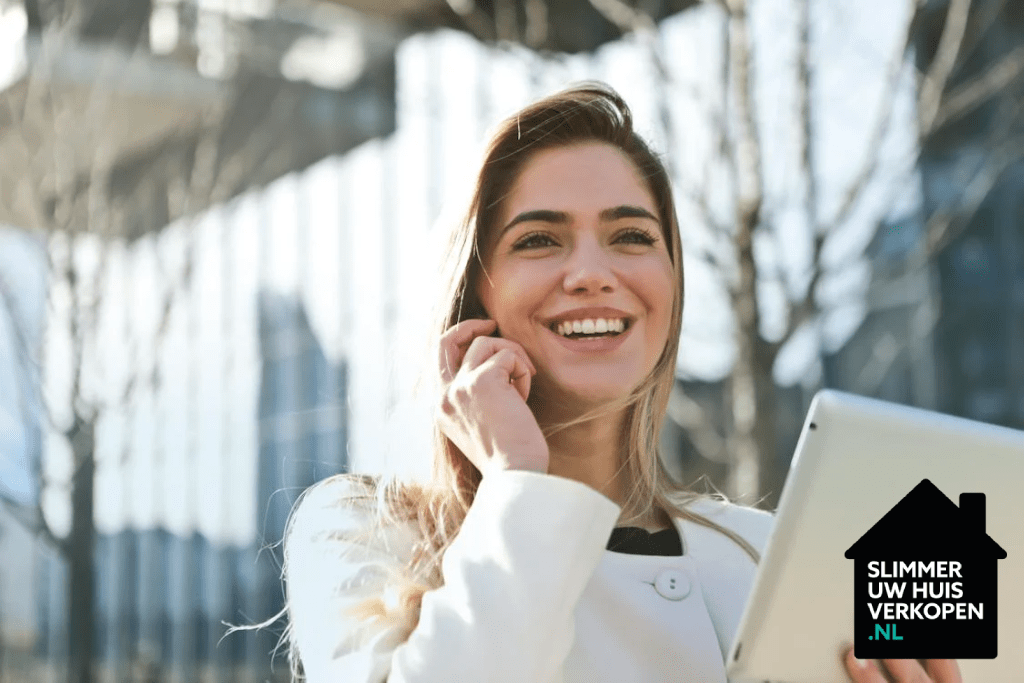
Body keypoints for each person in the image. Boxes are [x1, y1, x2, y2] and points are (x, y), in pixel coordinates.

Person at [281, 83, 962, 683]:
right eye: (539, 240)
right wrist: (519, 480)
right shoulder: (360, 533)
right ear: (472, 295)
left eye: (631, 236)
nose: (591, 272)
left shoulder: (768, 553)